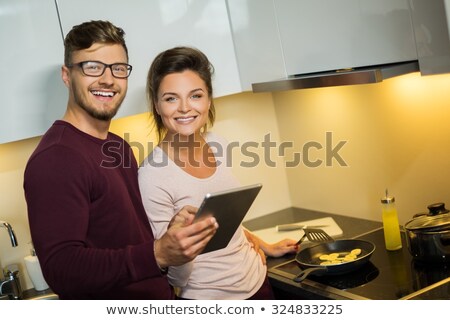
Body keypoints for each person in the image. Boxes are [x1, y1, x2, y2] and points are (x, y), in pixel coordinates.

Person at [23, 21, 218, 300]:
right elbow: (62, 270)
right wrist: (157, 253)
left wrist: (169, 235)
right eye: (92, 67)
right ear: (67, 75)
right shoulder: (55, 159)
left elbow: (127, 237)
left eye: (118, 68)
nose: (107, 79)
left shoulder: (118, 146)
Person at [138, 46, 298, 300]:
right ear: (157, 105)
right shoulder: (151, 176)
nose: (184, 108)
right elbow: (175, 278)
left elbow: (224, 219)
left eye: (195, 95)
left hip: (258, 282)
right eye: (171, 98)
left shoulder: (217, 144)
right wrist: (181, 239)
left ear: (209, 99)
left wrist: (266, 246)